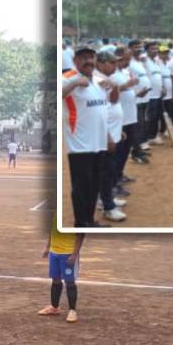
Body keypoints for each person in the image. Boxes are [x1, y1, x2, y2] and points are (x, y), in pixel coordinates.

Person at [64, 47, 112, 227]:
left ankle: (90, 220)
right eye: (83, 58)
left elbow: (103, 111)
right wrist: (75, 83)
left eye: (91, 57)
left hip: (98, 143)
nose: (88, 61)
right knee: (81, 187)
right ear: (75, 60)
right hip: (80, 145)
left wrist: (108, 136)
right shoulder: (68, 77)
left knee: (94, 186)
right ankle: (80, 222)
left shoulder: (98, 80)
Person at [38, 215, 85, 323]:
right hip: (54, 253)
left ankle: (72, 311)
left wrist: (74, 254)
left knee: (70, 282)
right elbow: (52, 230)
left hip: (68, 253)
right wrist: (47, 247)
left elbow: (80, 235)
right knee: (55, 279)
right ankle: (54, 307)